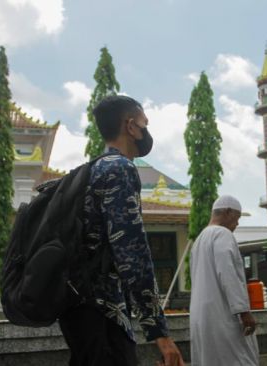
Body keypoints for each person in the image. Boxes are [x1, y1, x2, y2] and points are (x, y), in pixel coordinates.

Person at [58, 95, 184, 366]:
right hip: (102, 309)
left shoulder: (92, 170)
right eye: (144, 124)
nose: (146, 131)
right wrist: (159, 332)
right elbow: (132, 253)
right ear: (131, 126)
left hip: (76, 306)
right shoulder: (120, 169)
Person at [189, 195, 260, 366]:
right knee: (242, 360)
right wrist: (243, 311)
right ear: (227, 212)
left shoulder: (199, 240)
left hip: (200, 319)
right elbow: (228, 274)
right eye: (237, 218)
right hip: (222, 316)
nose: (237, 224)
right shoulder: (223, 234)